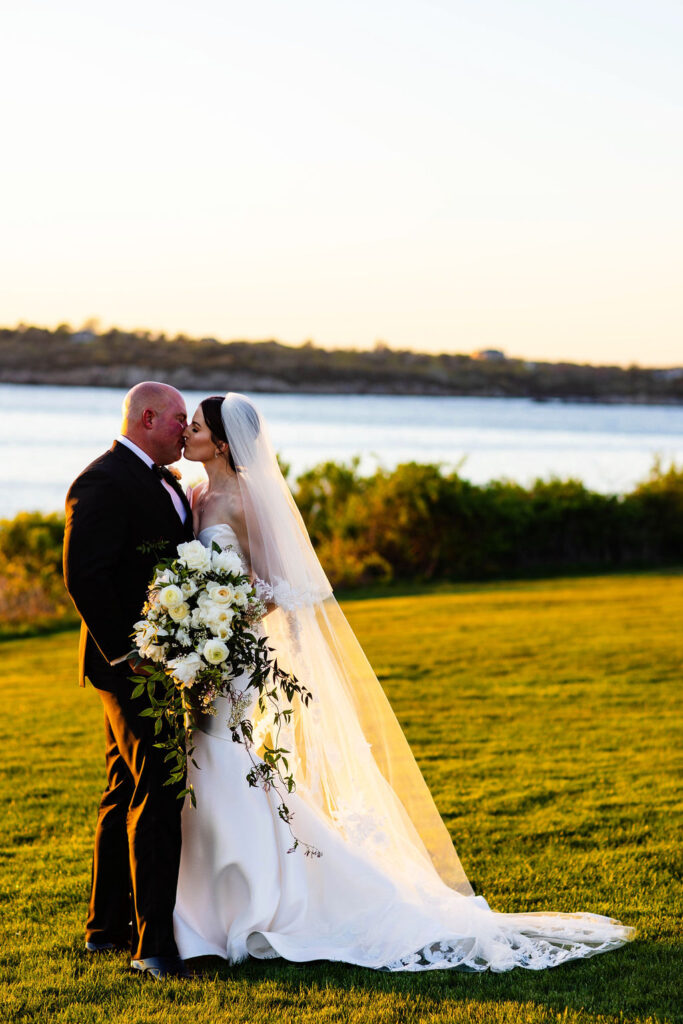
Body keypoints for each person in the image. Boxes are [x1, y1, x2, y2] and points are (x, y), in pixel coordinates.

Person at [173, 392, 634, 972]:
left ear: (220, 442)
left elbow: (280, 586)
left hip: (235, 652)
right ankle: (220, 897)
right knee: (216, 759)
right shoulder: (195, 494)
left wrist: (225, 616)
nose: (185, 435)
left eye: (194, 427)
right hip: (204, 652)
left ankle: (249, 901)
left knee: (224, 756)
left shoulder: (245, 500)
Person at [63, 381, 194, 980]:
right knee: (160, 791)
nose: (184, 430)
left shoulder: (168, 483)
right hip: (127, 669)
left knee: (124, 789)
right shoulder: (102, 481)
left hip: (166, 662)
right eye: (178, 420)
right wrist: (125, 657)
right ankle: (153, 946)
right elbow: (84, 577)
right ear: (147, 417)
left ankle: (104, 928)